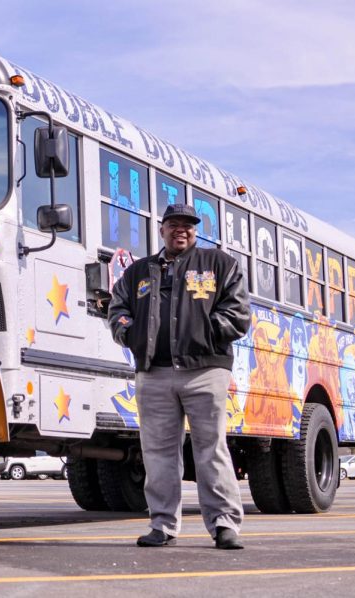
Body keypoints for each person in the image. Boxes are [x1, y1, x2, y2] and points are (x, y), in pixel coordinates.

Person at [107, 203, 251, 550]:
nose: (180, 230)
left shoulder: (220, 265)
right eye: (173, 225)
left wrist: (204, 333)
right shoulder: (138, 272)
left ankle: (223, 524)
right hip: (154, 374)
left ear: (195, 231)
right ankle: (162, 524)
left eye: (187, 225)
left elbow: (239, 314)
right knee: (157, 452)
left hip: (205, 371)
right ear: (162, 230)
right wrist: (131, 334)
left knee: (210, 449)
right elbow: (117, 310)